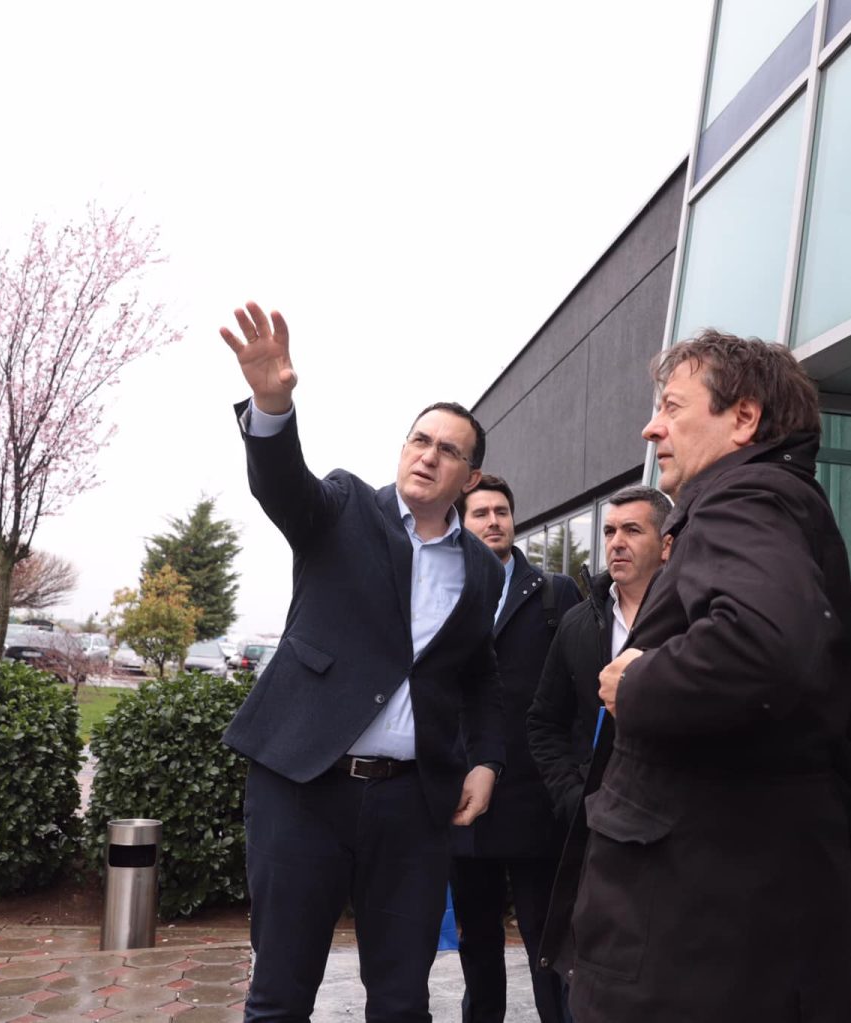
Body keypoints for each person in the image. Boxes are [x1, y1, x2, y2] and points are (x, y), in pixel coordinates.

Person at [218, 302, 507, 1023]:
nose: (428, 455)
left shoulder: (482, 569)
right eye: (420, 439)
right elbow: (282, 486)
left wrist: (486, 760)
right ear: (403, 447)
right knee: (279, 995)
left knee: (403, 1002)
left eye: (447, 450)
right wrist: (272, 407)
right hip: (303, 788)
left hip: (412, 807)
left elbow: (478, 674)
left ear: (470, 476)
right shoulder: (344, 507)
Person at [571, 330, 851, 1022]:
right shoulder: (777, 500)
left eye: (672, 407)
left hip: (696, 942)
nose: (652, 428)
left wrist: (635, 686)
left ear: (744, 418)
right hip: (733, 927)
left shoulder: (743, 497)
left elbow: (761, 645)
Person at [450, 474, 582, 1023]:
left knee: (547, 943)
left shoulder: (555, 592)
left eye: (501, 512)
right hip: (465, 800)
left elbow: (578, 693)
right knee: (477, 944)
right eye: (480, 513)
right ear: (462, 524)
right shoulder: (443, 590)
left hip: (537, 800)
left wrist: (570, 783)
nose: (493, 522)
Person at [526, 484, 671, 827]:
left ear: (667, 544)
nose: (616, 542)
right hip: (598, 822)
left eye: (632, 530)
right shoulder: (576, 623)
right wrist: (574, 798)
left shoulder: (694, 615)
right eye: (609, 531)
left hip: (679, 823)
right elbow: (545, 722)